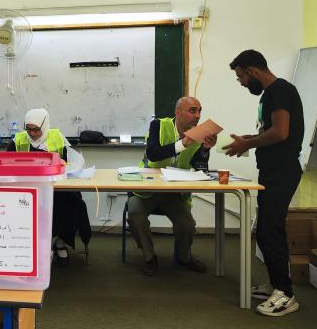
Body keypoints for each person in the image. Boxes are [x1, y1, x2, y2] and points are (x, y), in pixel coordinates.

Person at [223, 49, 304, 317]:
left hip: (282, 172)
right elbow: (272, 131)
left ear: (252, 71)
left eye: (241, 77)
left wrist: (248, 144)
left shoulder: (279, 90)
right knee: (266, 230)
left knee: (271, 231)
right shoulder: (272, 93)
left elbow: (280, 133)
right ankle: (275, 283)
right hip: (272, 171)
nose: (241, 83)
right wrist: (248, 139)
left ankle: (285, 294)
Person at [130, 96, 215, 276]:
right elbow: (153, 154)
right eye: (192, 110)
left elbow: (199, 165)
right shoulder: (158, 125)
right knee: (135, 214)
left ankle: (184, 257)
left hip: (174, 193)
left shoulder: (198, 134)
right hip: (147, 190)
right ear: (178, 112)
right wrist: (181, 144)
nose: (197, 115)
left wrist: (206, 149)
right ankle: (149, 257)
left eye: (199, 111)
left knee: (187, 224)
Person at [7, 108, 91, 266]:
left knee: (75, 202)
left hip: (56, 188)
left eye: (36, 129)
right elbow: (7, 164)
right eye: (28, 129)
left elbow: (69, 163)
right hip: (28, 189)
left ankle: (60, 242)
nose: (32, 133)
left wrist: (64, 164)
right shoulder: (18, 141)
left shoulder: (57, 138)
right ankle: (33, 244)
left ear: (44, 126)